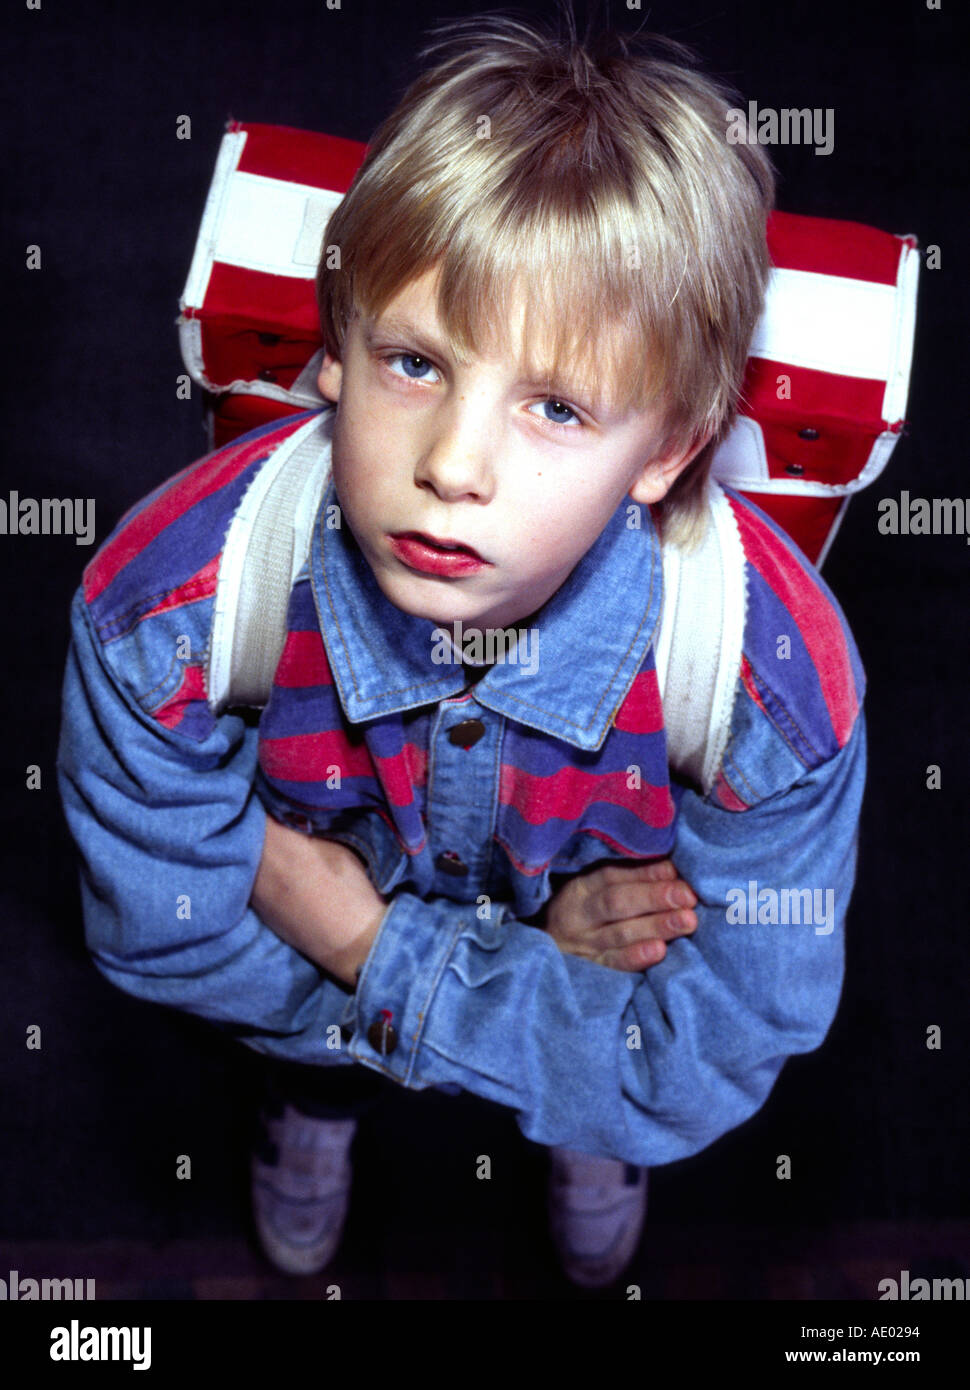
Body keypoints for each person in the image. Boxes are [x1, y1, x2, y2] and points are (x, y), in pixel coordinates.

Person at [56, 11, 866, 1290]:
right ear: (335, 351)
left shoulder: (770, 681)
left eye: (555, 405)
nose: (451, 466)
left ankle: (584, 1134)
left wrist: (369, 940)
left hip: (412, 944)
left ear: (665, 451)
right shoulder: (163, 613)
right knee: (335, 1064)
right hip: (383, 1011)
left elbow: (704, 1056)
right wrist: (555, 987)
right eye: (416, 363)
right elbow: (161, 934)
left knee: (618, 1093)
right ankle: (329, 1104)